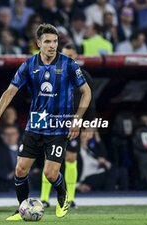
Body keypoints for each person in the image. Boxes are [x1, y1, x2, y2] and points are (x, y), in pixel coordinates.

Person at [0, 24, 92, 220]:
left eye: (55, 41)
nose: (52, 45)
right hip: (37, 122)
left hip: (59, 125)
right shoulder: (29, 64)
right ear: (38, 43)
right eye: (48, 42)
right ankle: (22, 208)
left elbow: (87, 93)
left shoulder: (68, 64)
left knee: (51, 174)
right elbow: (9, 92)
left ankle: (63, 195)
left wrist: (77, 120)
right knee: (20, 169)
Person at [40, 43, 96, 208]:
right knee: (49, 158)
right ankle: (44, 199)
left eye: (70, 56)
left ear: (76, 57)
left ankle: (69, 199)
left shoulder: (85, 77)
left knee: (71, 158)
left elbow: (90, 104)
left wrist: (90, 126)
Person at [0, 124, 20, 191]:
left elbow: (34, 167)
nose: (10, 137)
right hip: (7, 184)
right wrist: (9, 175)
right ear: (2, 136)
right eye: (7, 134)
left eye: (13, 134)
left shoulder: (25, 149)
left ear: (17, 135)